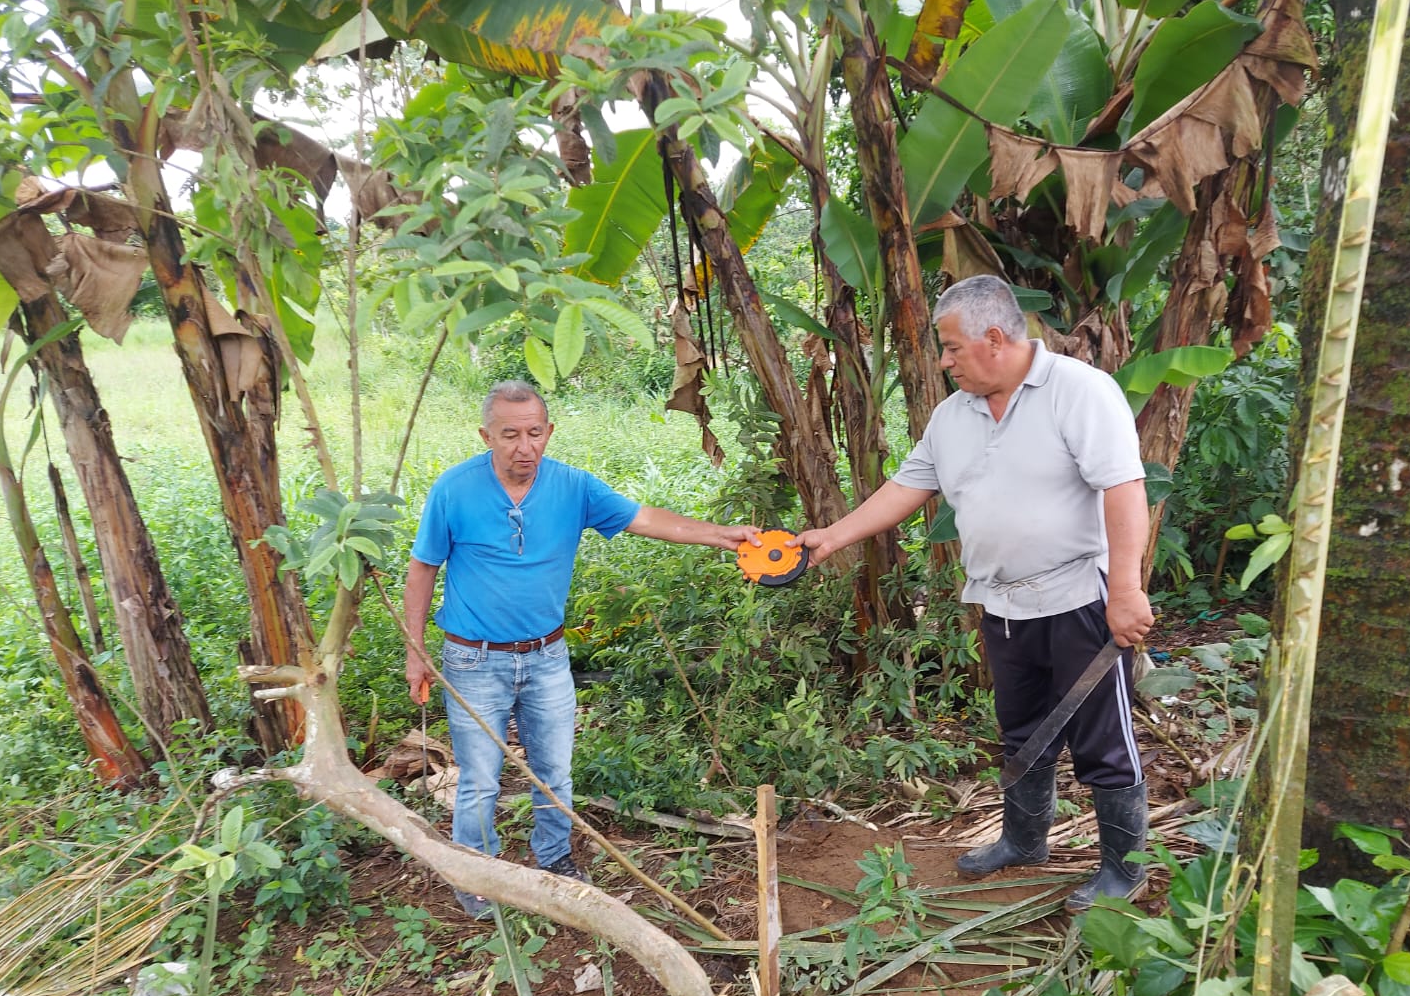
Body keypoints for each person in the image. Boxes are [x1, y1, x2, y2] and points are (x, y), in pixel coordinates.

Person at [793, 275, 1155, 910]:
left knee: (1102, 741)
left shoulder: (1079, 391)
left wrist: (1125, 589)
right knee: (1022, 731)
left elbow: (1124, 488)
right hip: (1002, 603)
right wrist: (831, 537)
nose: (944, 360)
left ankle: (1125, 870)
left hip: (1079, 598)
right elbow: (907, 487)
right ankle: (1024, 840)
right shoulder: (953, 415)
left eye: (952, 347)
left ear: (995, 337)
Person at [405, 380, 761, 918]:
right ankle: (476, 872)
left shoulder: (573, 487)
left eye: (534, 433)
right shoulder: (454, 490)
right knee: (479, 779)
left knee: (555, 771)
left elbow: (644, 518)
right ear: (486, 436)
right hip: (474, 658)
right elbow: (423, 568)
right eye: (510, 435)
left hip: (547, 656)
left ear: (549, 432)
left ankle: (554, 858)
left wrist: (721, 535)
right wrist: (415, 651)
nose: (524, 447)